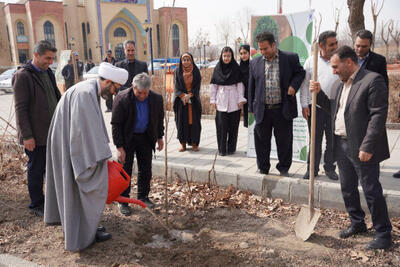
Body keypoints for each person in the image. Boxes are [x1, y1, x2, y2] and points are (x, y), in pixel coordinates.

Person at [312, 45, 392, 250]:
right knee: (347, 188)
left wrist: (367, 146)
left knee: (371, 190)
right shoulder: (339, 85)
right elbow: (335, 109)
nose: (333, 71)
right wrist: (319, 94)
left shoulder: (372, 80)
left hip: (362, 147)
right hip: (341, 144)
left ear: (349, 62)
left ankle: (383, 234)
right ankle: (357, 223)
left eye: (336, 66)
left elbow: (378, 115)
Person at [44, 62, 129, 252]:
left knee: (75, 191)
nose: (115, 93)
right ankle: (81, 237)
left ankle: (85, 229)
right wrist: (103, 156)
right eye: (116, 88)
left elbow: (90, 127)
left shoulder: (89, 90)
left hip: (69, 146)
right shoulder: (85, 94)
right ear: (108, 81)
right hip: (73, 150)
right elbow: (83, 134)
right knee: (83, 187)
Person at [12, 40, 61, 217]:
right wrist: (27, 136)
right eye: (47, 58)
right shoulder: (23, 76)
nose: (50, 62)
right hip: (35, 136)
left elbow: (56, 97)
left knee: (51, 169)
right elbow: (21, 109)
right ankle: (36, 204)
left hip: (50, 133)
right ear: (36, 55)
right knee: (36, 169)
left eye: (52, 59)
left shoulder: (48, 73)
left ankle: (51, 200)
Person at [248, 31, 305, 175]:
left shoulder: (290, 58)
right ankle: (263, 168)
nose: (262, 52)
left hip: (282, 109)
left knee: (284, 142)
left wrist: (293, 86)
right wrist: (251, 108)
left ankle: (284, 168)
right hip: (263, 110)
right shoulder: (255, 62)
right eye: (260, 49)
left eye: (265, 48)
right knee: (261, 142)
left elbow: (300, 73)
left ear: (274, 45)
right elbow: (251, 86)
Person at [111, 73, 164, 216]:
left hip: (146, 137)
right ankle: (123, 201)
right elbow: (116, 124)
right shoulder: (122, 98)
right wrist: (119, 147)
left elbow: (159, 119)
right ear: (133, 87)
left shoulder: (156, 99)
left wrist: (160, 137)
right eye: (139, 93)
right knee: (125, 170)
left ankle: (143, 197)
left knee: (146, 168)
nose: (142, 96)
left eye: (145, 93)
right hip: (127, 138)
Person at [300, 30, 339, 181]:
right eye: (331, 44)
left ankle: (330, 168)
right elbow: (304, 86)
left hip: (335, 107)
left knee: (332, 140)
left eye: (336, 43)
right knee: (314, 140)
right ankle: (312, 169)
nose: (335, 46)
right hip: (315, 106)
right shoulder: (311, 61)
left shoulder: (339, 60)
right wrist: (304, 104)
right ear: (322, 45)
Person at [210, 47, 247, 156]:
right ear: (221, 56)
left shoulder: (236, 68)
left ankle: (231, 148)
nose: (226, 58)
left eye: (229, 56)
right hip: (221, 100)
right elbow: (213, 86)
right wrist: (213, 100)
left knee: (233, 126)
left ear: (232, 56)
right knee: (221, 126)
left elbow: (240, 85)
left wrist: (241, 99)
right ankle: (222, 149)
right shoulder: (217, 69)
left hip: (234, 101)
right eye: (224, 56)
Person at [173, 52, 202, 152]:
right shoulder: (177, 71)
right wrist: (183, 96)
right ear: (181, 61)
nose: (186, 62)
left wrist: (189, 95)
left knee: (194, 122)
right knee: (182, 122)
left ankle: (194, 143)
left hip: (193, 101)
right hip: (181, 102)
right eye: (184, 60)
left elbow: (197, 86)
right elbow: (176, 86)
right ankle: (183, 144)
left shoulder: (196, 71)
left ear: (192, 60)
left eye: (188, 60)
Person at [239, 44, 250, 128]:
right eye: (241, 53)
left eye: (245, 53)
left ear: (249, 53)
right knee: (248, 123)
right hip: (245, 97)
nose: (243, 55)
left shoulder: (254, 65)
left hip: (254, 96)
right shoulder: (239, 67)